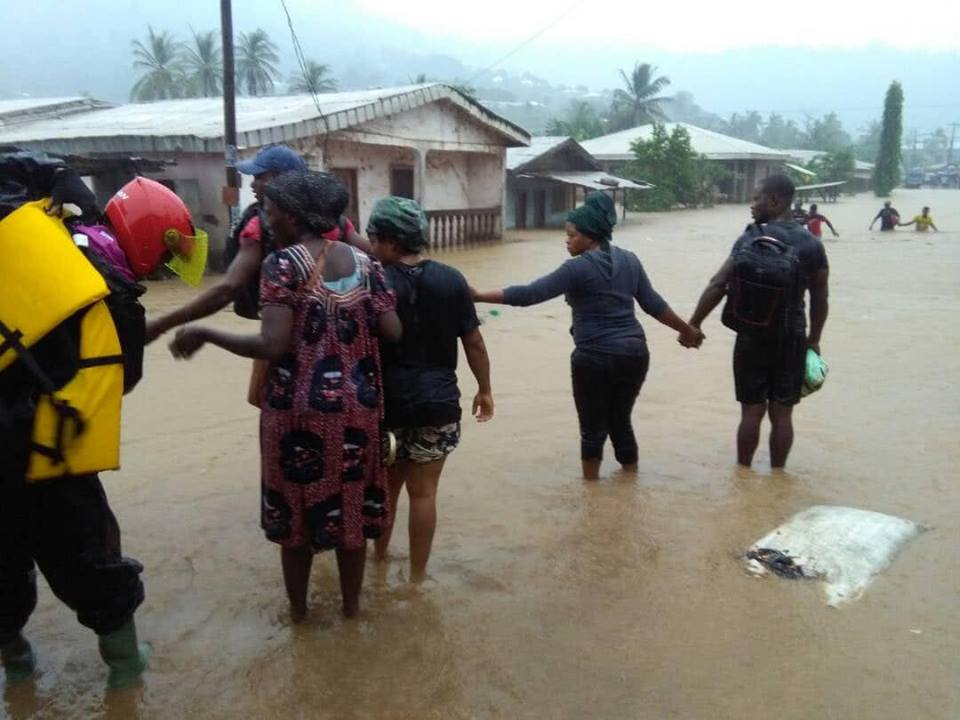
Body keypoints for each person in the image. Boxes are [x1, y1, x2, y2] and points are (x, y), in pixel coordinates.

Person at [0, 156, 205, 689]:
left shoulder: (34, 231)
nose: (159, 268)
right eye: (163, 256)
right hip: (48, 451)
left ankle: (18, 667)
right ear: (144, 240)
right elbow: (120, 383)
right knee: (90, 556)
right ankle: (124, 667)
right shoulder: (117, 298)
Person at [169, 172, 401, 621]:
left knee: (296, 519)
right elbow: (393, 330)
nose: (266, 218)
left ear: (294, 215)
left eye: (271, 210)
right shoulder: (368, 263)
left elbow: (272, 345)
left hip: (298, 414)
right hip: (358, 410)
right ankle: (352, 610)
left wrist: (205, 332)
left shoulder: (282, 264)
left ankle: (299, 616)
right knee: (350, 514)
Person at [473, 192, 702, 481]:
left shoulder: (577, 268)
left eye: (572, 235)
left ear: (590, 236)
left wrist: (479, 294)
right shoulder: (630, 260)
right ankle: (630, 483)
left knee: (592, 428)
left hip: (594, 357)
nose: (567, 240)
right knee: (620, 421)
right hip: (634, 353)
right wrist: (687, 330)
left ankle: (591, 494)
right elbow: (654, 304)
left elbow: (530, 294)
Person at [366, 197, 494, 582]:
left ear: (389, 240)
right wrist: (484, 388)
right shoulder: (453, 279)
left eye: (373, 237)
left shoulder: (375, 281)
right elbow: (474, 343)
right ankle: (418, 579)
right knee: (424, 495)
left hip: (386, 404)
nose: (371, 245)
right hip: (438, 403)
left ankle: (378, 561)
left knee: (385, 489)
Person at [144, 144, 371, 341]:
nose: (252, 185)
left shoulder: (258, 227)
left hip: (279, 338)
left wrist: (161, 324)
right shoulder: (335, 224)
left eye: (259, 177)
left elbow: (228, 289)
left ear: (282, 180)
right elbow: (376, 258)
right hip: (341, 342)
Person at [688, 174, 829, 469]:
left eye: (756, 198)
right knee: (783, 414)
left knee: (751, 412)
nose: (752, 205)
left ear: (775, 200)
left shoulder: (751, 237)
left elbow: (718, 284)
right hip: (792, 336)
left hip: (751, 335)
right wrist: (813, 341)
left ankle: (743, 474)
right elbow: (820, 299)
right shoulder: (810, 244)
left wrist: (694, 324)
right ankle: (778, 475)